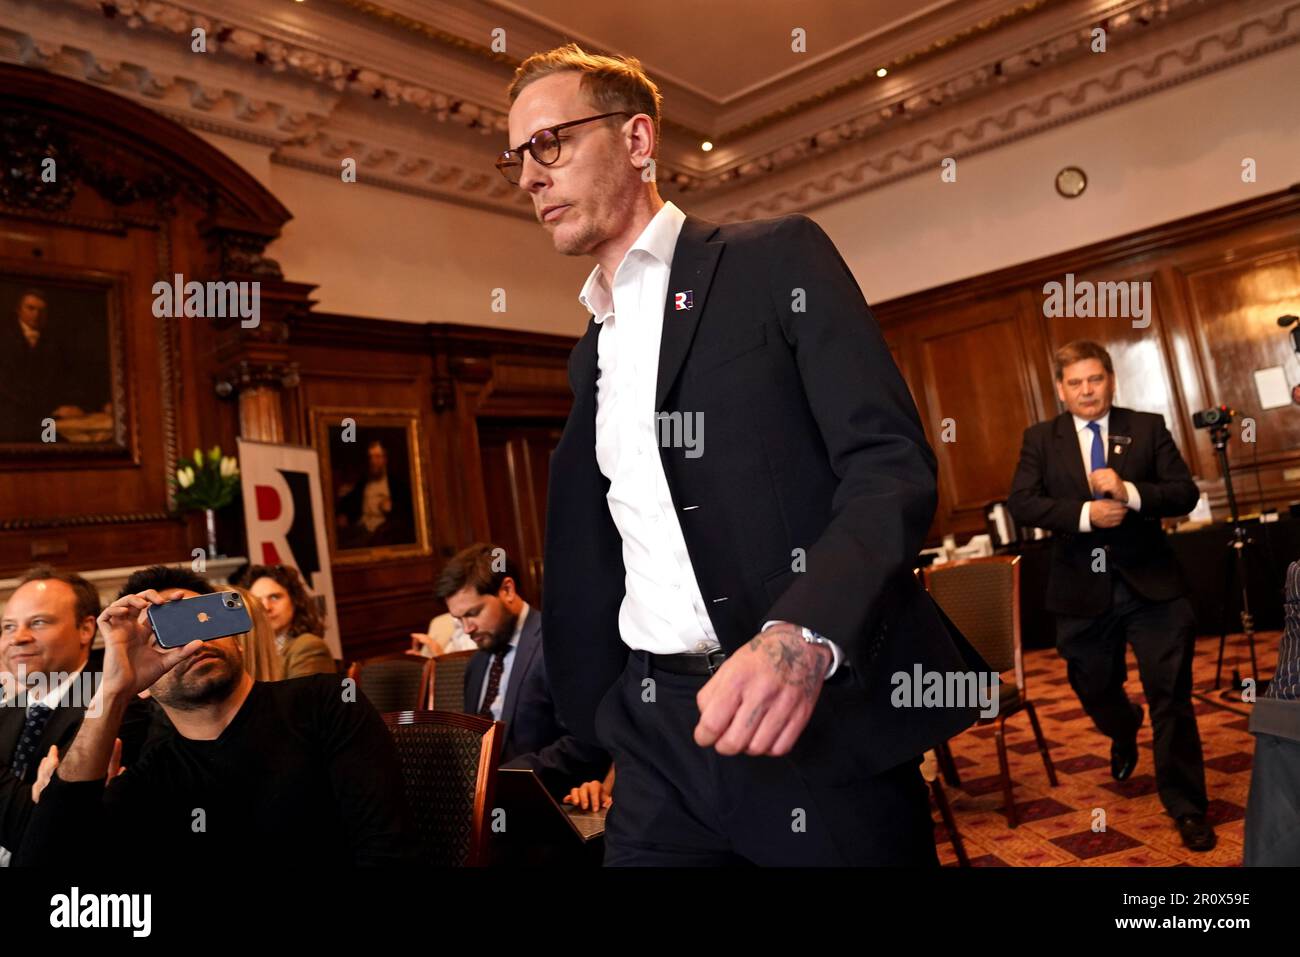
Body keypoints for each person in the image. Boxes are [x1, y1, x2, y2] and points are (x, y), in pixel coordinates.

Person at [508, 44, 984, 865]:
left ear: (637, 140)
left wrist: (802, 634)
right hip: (655, 733)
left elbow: (889, 464)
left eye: (549, 143)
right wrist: (601, 718)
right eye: (515, 158)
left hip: (807, 710)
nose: (527, 176)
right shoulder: (591, 349)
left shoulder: (775, 261)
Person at [14, 580, 416, 866]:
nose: (193, 643)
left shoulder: (324, 702)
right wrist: (113, 691)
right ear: (142, 685)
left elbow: (386, 850)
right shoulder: (152, 775)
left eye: (200, 618)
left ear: (236, 636)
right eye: (164, 635)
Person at [1008, 339, 1213, 851]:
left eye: (1094, 379)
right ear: (1061, 389)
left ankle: (1187, 807)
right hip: (1080, 590)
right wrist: (1085, 514)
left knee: (1171, 696)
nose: (1086, 391)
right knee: (1093, 686)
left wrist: (1131, 494)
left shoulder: (1146, 426)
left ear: (1111, 379)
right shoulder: (1041, 438)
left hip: (1153, 588)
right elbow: (1023, 503)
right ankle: (1123, 728)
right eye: (1074, 383)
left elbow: (1184, 492)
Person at [436, 543, 609, 799]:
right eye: (458, 619)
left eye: (473, 613)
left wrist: (499, 778)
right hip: (486, 805)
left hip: (551, 802)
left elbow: (584, 743)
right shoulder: (477, 664)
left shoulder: (558, 644)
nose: (467, 628)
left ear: (507, 589)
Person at [0, 566, 106, 865]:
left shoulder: (111, 703)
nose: (17, 638)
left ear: (86, 629)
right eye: (8, 627)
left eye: (38, 622)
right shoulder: (6, 711)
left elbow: (47, 832)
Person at [241, 564, 335, 677]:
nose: (266, 607)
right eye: (257, 601)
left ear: (295, 601)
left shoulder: (308, 646)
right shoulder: (252, 652)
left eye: (274, 597)